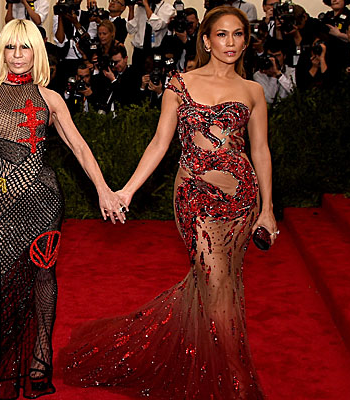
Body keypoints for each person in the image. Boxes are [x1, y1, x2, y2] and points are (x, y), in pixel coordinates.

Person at [61, 6, 277, 399]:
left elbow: (260, 150)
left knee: (222, 284)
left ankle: (208, 365)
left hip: (242, 200)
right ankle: (235, 382)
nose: (230, 42)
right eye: (222, 34)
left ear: (246, 41)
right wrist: (127, 190)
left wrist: (267, 209)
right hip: (194, 197)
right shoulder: (180, 84)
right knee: (215, 281)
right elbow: (160, 143)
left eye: (238, 35)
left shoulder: (253, 90)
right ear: (206, 40)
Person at [0, 19, 125, 399]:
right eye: (11, 47)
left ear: (37, 52)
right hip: (3, 200)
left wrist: (103, 189)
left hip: (45, 199)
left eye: (25, 47)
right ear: (2, 51)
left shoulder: (50, 99)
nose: (18, 55)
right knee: (0, 281)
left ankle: (40, 359)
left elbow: (79, 147)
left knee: (44, 275)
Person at [127, 0, 175, 73]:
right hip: (139, 53)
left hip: (156, 52)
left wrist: (146, 5)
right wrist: (131, 8)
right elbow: (130, 30)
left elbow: (156, 26)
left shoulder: (168, 9)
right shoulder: (140, 8)